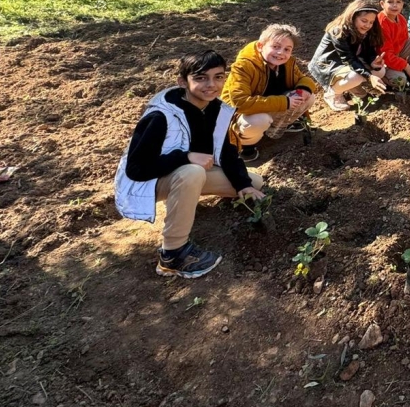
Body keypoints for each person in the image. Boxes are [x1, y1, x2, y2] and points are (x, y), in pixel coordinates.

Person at [115, 50, 265, 279]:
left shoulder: (216, 109)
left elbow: (225, 152)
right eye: (201, 78)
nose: (211, 85)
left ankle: (185, 202)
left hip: (186, 174)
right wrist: (185, 157)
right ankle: (172, 255)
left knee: (256, 182)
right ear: (182, 82)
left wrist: (243, 184)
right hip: (149, 182)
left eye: (218, 77)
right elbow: (136, 169)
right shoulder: (161, 117)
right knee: (192, 172)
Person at [223, 24, 318, 162]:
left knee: (308, 97)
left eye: (287, 49)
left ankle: (278, 126)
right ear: (261, 46)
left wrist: (303, 89)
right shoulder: (244, 66)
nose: (281, 53)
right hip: (240, 115)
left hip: (270, 106)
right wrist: (285, 102)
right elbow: (240, 103)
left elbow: (303, 79)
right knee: (259, 120)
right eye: (275, 47)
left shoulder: (288, 63)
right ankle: (245, 144)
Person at [311, 0, 388, 111]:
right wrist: (369, 76)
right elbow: (348, 59)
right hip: (328, 65)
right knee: (356, 76)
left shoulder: (365, 31)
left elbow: (368, 51)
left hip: (347, 64)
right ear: (353, 17)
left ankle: (354, 89)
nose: (367, 25)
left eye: (371, 22)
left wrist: (373, 61)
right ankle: (332, 93)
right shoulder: (338, 31)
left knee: (380, 71)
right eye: (364, 20)